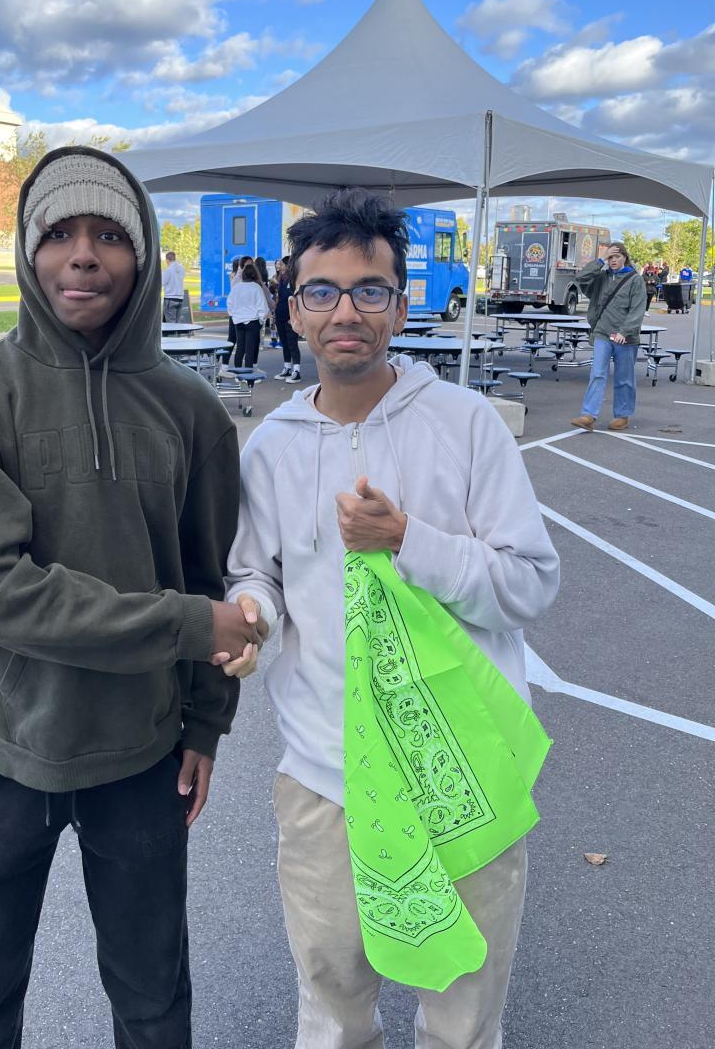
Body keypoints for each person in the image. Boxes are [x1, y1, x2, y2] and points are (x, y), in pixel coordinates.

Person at [0, 145, 263, 1049]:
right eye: (59, 234)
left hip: (143, 758)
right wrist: (189, 627)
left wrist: (204, 724)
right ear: (28, 252)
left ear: (141, 255)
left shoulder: (190, 410)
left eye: (109, 235)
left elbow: (208, 573)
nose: (83, 256)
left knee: (152, 1004)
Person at [225, 188, 560, 1049]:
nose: (346, 312)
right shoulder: (271, 447)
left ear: (401, 307)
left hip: (465, 775)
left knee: (464, 1016)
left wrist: (409, 540)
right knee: (334, 1004)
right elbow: (256, 572)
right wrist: (252, 615)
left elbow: (530, 583)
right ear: (292, 309)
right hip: (326, 779)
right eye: (322, 291)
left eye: (369, 290)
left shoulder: (466, 424)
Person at [571, 242, 647, 432]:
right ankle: (588, 416)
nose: (613, 260)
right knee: (597, 373)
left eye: (617, 257)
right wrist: (600, 260)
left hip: (625, 337)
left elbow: (637, 310)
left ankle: (622, 415)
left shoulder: (635, 280)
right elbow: (580, 277)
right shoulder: (601, 277)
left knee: (624, 378)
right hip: (602, 333)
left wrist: (624, 331)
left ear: (625, 258)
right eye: (610, 257)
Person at [228, 260, 271, 368]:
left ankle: (238, 372)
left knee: (240, 348)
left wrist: (234, 316)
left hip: (238, 321)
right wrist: (261, 320)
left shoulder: (236, 287)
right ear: (255, 274)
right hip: (253, 321)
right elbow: (262, 306)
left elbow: (230, 303)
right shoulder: (256, 287)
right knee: (250, 349)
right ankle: (248, 374)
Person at [273, 257, 302, 382]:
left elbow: (297, 300)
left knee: (292, 344)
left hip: (290, 318)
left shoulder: (294, 279)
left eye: (282, 264)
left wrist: (294, 316)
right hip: (280, 316)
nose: (280, 266)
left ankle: (296, 371)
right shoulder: (281, 279)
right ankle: (287, 368)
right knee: (284, 343)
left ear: (288, 265)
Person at [162, 249, 186, 323]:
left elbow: (162, 282)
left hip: (170, 298)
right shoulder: (182, 268)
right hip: (180, 299)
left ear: (167, 260)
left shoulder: (168, 270)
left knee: (171, 324)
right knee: (177, 323)